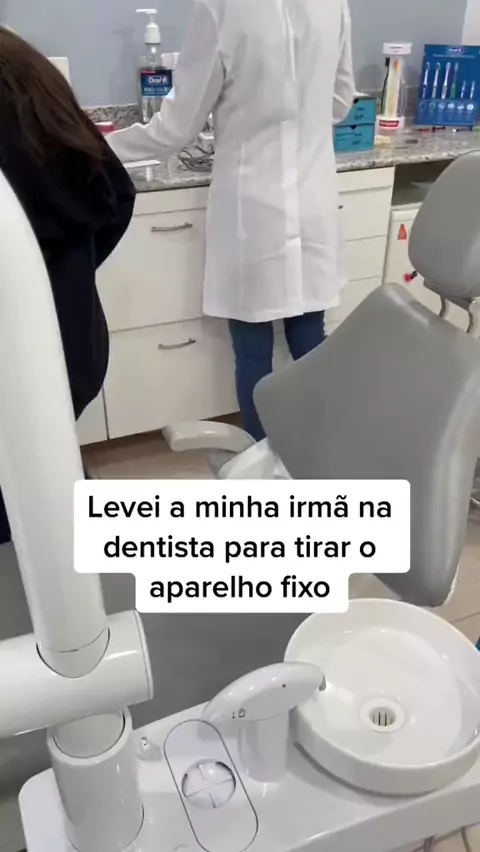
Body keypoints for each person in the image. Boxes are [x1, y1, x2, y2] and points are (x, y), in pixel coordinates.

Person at [108, 0, 355, 441]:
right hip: (313, 200)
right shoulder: (333, 4)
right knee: (309, 336)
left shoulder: (220, 7)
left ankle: (263, 461)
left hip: (252, 209)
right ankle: (317, 451)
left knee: (254, 350)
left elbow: (175, 129)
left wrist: (97, 145)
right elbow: (339, 103)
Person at [0, 27, 135, 544]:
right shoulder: (18, 61)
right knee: (49, 480)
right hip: (72, 351)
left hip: (25, 371)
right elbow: (116, 194)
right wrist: (67, 278)